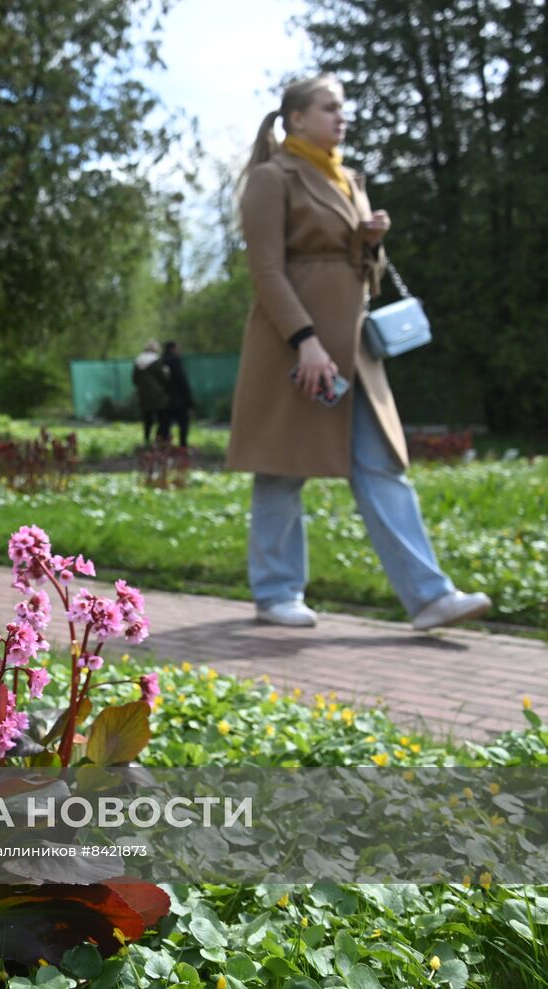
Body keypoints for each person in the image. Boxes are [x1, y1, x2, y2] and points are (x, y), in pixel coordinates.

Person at [226, 73, 491, 632]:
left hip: (352, 352)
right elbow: (267, 271)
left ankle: (429, 597)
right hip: (291, 349)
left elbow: (364, 279)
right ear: (297, 117)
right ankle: (276, 593)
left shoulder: (349, 179)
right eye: (329, 108)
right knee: (282, 467)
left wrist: (369, 243)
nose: (340, 118)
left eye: (341, 109)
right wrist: (305, 342)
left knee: (381, 465)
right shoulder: (272, 179)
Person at [131, 339, 169, 445]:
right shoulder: (156, 361)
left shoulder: (137, 362)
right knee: (163, 418)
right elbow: (163, 378)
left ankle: (147, 440)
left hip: (143, 395)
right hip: (158, 395)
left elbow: (134, 380)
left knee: (147, 419)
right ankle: (161, 440)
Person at [157, 340, 194, 449]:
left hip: (164, 399)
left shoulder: (161, 362)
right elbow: (182, 381)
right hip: (179, 400)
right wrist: (190, 402)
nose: (179, 351)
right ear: (173, 349)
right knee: (183, 424)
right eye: (178, 348)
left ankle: (163, 447)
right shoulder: (176, 361)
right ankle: (183, 446)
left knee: (164, 424)